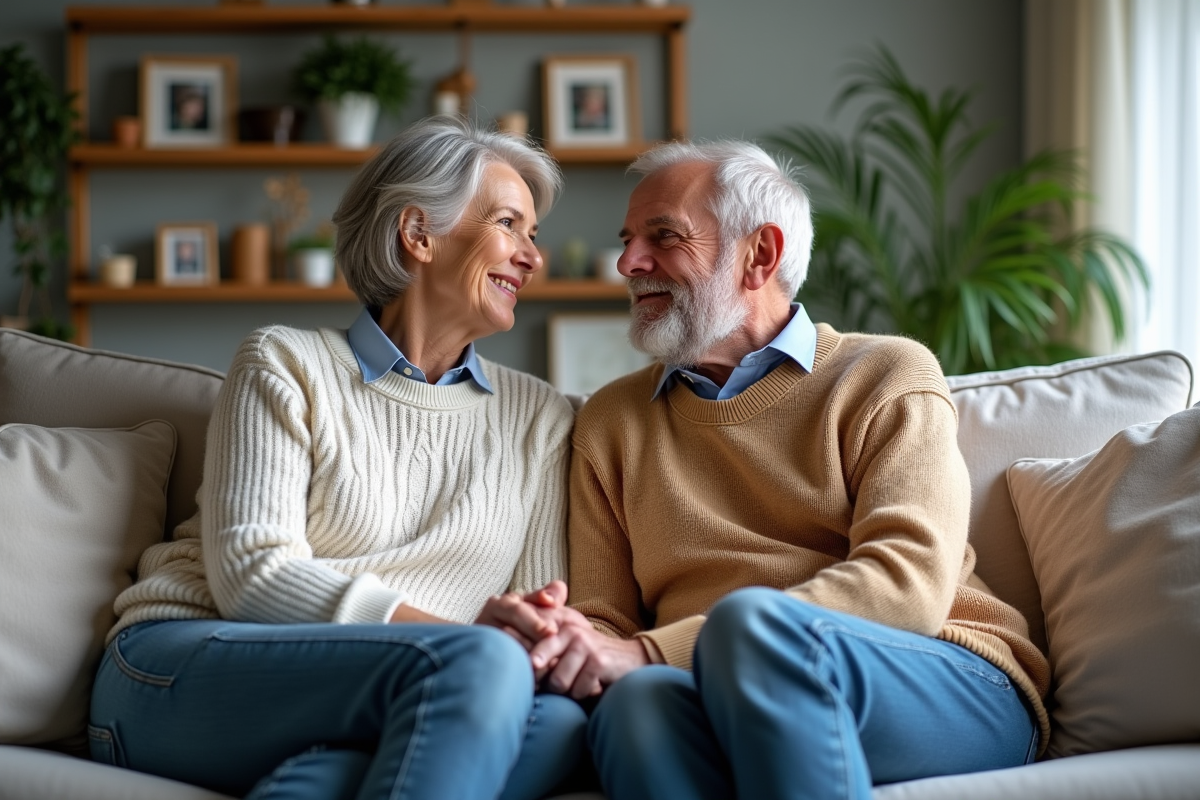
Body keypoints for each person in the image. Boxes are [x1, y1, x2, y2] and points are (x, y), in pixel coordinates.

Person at [523, 140, 1052, 800]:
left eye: (663, 237)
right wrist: (570, 638)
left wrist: (662, 651)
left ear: (760, 256)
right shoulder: (612, 421)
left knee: (750, 629)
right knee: (632, 711)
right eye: (629, 240)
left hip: (944, 677)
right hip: (710, 686)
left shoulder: (885, 374)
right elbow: (609, 622)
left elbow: (907, 581)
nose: (629, 263)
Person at [89, 117, 585, 800]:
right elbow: (252, 575)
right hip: (186, 663)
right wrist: (460, 643)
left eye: (533, 234)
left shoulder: (542, 416)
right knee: (488, 673)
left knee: (559, 719)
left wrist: (512, 638)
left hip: (412, 687)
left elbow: (529, 617)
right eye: (509, 224)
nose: (532, 256)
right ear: (419, 235)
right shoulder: (286, 362)